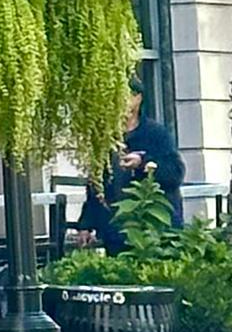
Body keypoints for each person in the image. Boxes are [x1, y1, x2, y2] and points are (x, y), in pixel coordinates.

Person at [71, 78, 186, 253]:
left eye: (123, 96)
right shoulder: (105, 138)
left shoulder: (155, 133)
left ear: (137, 98)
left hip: (155, 228)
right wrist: (85, 224)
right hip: (117, 228)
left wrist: (143, 162)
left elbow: (175, 173)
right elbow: (96, 186)